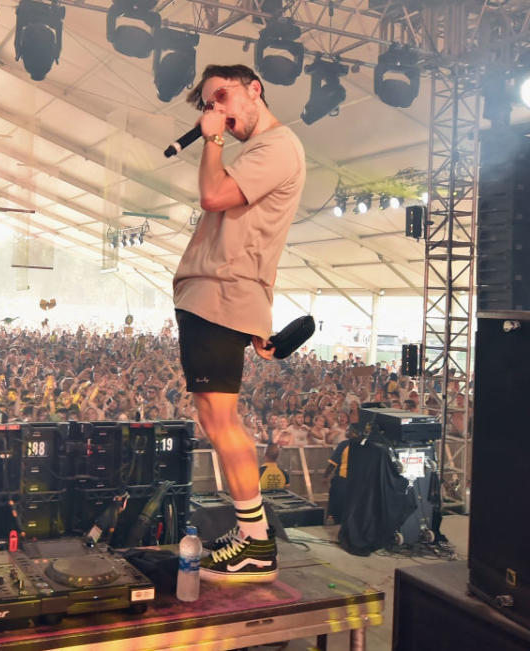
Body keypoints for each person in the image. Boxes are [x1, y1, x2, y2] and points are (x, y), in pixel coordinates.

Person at [173, 63, 305, 582]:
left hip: (220, 293)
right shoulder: (260, 153)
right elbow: (249, 235)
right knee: (214, 417)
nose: (216, 112)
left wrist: (211, 144)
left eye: (222, 97)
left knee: (222, 420)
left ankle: (255, 543)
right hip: (220, 294)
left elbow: (214, 197)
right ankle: (250, 536)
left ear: (256, 89)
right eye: (208, 105)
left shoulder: (275, 147)